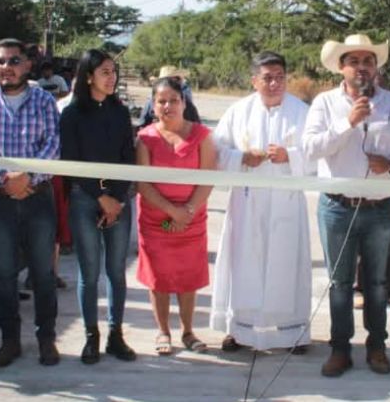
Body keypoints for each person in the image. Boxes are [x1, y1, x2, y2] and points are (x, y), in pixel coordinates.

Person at [303, 34, 390, 377]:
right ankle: (340, 349)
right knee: (340, 284)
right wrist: (348, 123)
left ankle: (377, 347)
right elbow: (310, 149)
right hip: (337, 208)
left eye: (368, 61)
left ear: (376, 67)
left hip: (381, 209)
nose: (362, 67)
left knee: (377, 283)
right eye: (353, 61)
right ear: (341, 68)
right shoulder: (325, 103)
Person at [0, 38, 62, 367]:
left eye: (14, 61)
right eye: (0, 62)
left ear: (28, 65)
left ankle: (46, 338)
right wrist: (6, 180)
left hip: (38, 198)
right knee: (4, 274)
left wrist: (27, 178)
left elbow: (53, 144)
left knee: (43, 273)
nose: (7, 67)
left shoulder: (44, 100)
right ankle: (10, 341)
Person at [211, 51, 314, 353]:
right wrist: (242, 157)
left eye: (280, 77)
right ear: (254, 80)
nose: (274, 84)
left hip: (286, 202)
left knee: (287, 264)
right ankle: (239, 329)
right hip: (248, 202)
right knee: (245, 263)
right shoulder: (238, 111)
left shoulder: (302, 112)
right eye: (267, 78)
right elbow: (216, 152)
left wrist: (289, 156)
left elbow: (317, 153)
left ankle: (291, 332)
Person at [60, 49, 137, 364]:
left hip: (118, 200)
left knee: (117, 271)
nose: (111, 77)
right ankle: (91, 336)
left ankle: (115, 335)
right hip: (84, 197)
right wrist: (100, 196)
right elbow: (70, 161)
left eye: (113, 71)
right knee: (89, 272)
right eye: (105, 72)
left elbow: (128, 157)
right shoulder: (72, 114)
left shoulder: (120, 112)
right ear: (89, 76)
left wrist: (116, 198)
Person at [135, 76, 217, 355]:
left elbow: (207, 178)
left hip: (192, 220)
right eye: (161, 101)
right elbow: (143, 183)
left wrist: (187, 212)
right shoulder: (145, 138)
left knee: (188, 277)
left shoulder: (202, 135)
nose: (167, 106)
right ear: (153, 105)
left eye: (173, 100)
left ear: (184, 102)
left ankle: (188, 331)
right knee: (158, 278)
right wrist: (172, 212)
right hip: (155, 219)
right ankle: (163, 331)